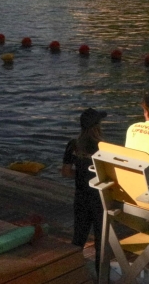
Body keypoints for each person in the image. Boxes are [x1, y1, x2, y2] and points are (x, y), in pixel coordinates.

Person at [62, 108, 106, 271]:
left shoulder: (73, 145)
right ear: (96, 127)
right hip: (99, 201)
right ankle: (101, 279)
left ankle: (71, 273)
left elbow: (66, 172)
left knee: (78, 239)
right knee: (100, 244)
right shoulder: (103, 147)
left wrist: (81, 175)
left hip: (80, 198)